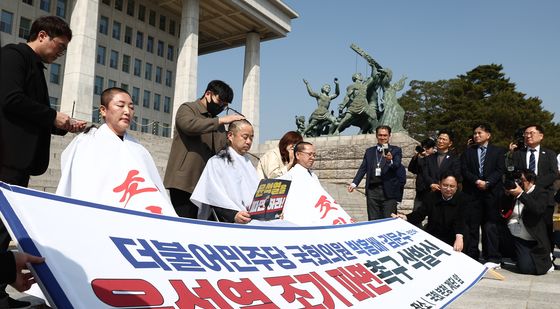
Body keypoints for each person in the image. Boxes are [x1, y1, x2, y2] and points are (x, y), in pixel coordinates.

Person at [0, 16, 86, 308]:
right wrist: (52, 116)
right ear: (42, 35)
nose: (61, 53)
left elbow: (32, 112)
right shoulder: (13, 56)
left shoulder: (36, 67)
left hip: (20, 160)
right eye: (60, 46)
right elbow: (10, 99)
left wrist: (64, 125)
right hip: (6, 157)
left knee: (1, 232)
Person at [56, 87, 176, 216]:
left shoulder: (140, 150)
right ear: (103, 110)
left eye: (131, 107)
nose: (127, 111)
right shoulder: (86, 142)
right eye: (120, 105)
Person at [164, 80, 244, 219]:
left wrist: (237, 138)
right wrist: (220, 121)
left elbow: (222, 149)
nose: (221, 107)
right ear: (208, 94)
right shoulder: (188, 108)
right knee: (185, 223)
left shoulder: (216, 121)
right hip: (183, 181)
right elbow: (189, 125)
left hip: (205, 185)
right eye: (220, 101)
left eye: (225, 105)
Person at [191, 120, 257, 224]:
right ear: (230, 136)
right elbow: (214, 196)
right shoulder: (217, 162)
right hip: (229, 220)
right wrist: (233, 214)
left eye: (251, 137)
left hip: (252, 217)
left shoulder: (249, 163)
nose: (248, 141)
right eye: (245, 137)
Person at [461, 123, 506, 267]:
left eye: (480, 133)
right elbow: (464, 170)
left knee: (490, 226)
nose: (476, 135)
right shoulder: (468, 152)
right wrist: (476, 181)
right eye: (475, 133)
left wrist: (488, 183)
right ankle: (472, 255)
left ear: (488, 135)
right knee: (472, 226)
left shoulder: (498, 151)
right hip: (472, 193)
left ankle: (492, 257)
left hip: (491, 193)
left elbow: (500, 170)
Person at [511, 125, 558, 264]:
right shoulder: (518, 153)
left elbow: (553, 174)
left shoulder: (549, 154)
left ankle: (548, 256)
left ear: (541, 136)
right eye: (526, 133)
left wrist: (534, 186)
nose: (528, 136)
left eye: (531, 133)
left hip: (544, 197)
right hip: (523, 197)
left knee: (546, 227)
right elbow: (514, 172)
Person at [393, 173, 469, 252]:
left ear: (457, 187)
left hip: (454, 236)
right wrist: (405, 217)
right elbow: (420, 213)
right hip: (434, 234)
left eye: (452, 186)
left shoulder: (462, 199)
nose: (448, 189)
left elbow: (461, 219)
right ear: (439, 184)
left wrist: (459, 236)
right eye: (445, 185)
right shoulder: (431, 196)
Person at [501, 169, 553, 275]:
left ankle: (546, 261)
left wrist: (521, 194)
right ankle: (514, 255)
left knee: (527, 269)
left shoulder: (541, 193)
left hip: (532, 239)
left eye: (521, 180)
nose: (518, 183)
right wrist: (507, 195)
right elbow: (503, 210)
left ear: (531, 181)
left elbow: (538, 209)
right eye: (517, 180)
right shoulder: (513, 191)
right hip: (514, 236)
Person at [348, 125, 403, 220]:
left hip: (388, 192)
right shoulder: (369, 151)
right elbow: (363, 168)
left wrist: (390, 160)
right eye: (380, 135)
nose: (382, 138)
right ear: (376, 136)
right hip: (372, 191)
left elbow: (397, 165)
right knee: (373, 220)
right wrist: (354, 183)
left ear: (389, 136)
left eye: (385, 135)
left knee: (388, 220)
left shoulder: (396, 150)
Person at [408, 138, 436, 216]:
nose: (425, 150)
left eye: (428, 148)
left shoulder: (435, 158)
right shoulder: (421, 158)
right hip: (420, 192)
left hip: (431, 191)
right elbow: (411, 169)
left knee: (432, 215)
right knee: (416, 214)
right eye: (424, 148)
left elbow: (431, 170)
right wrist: (415, 156)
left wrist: (426, 156)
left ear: (433, 148)